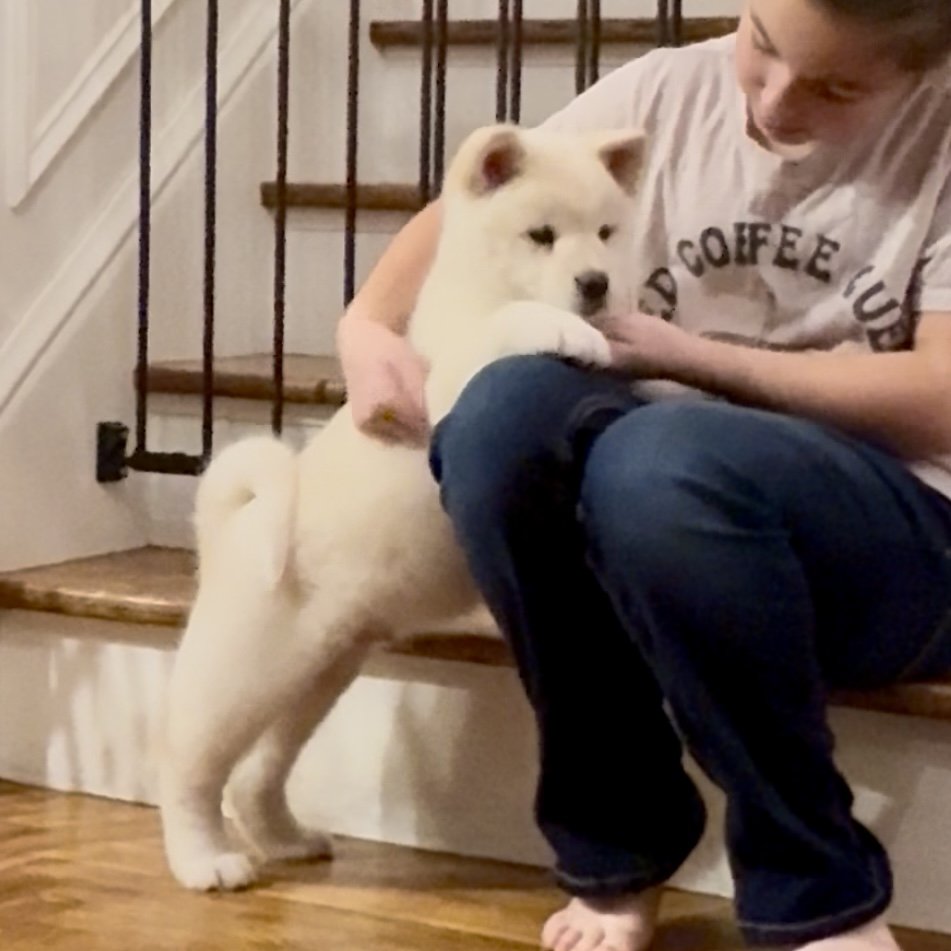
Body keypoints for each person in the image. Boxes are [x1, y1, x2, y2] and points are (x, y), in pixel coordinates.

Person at [336, 2, 951, 949]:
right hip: (667, 519)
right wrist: (366, 324)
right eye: (762, 45)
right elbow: (482, 201)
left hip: (900, 535)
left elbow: (941, 396)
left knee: (661, 456)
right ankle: (617, 843)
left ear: (919, 72)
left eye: (835, 87)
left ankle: (813, 882)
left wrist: (695, 359)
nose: (773, 101)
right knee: (500, 411)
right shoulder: (666, 89)